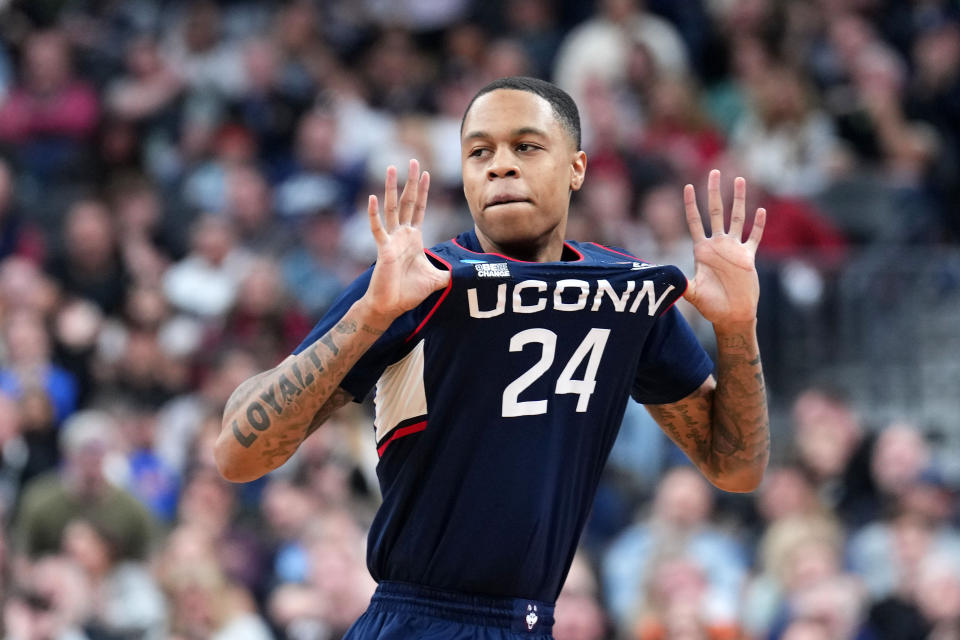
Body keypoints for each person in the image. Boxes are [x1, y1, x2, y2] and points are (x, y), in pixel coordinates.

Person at [215, 76, 770, 639]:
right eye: (480, 152)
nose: (499, 165)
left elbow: (736, 468)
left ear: (577, 168)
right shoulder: (418, 283)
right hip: (418, 620)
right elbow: (239, 453)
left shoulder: (624, 293)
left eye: (526, 147)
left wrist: (736, 328)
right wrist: (367, 318)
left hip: (531, 623)